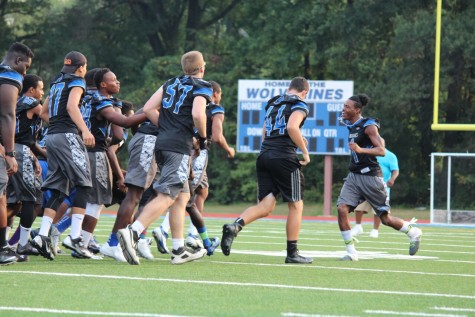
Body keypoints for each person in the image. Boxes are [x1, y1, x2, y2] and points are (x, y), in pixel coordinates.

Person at [118, 50, 211, 265]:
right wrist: (203, 138)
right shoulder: (202, 85)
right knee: (168, 194)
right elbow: (198, 114)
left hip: (162, 143)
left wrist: (167, 127)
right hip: (179, 146)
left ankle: (178, 249)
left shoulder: (170, 83)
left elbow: (149, 108)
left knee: (181, 196)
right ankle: (134, 231)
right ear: (202, 68)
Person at [220, 77, 313, 264]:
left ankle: (235, 226)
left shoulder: (274, 102)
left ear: (289, 88)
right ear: (305, 92)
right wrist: (304, 151)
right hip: (284, 157)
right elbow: (292, 126)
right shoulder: (300, 103)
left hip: (265, 154)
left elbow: (265, 132)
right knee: (296, 205)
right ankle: (292, 253)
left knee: (266, 205)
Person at [153, 80, 234, 255]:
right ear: (215, 94)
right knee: (184, 194)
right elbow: (218, 136)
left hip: (180, 146)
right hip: (195, 151)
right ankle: (165, 229)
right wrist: (228, 149)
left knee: (202, 191)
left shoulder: (190, 100)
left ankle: (194, 234)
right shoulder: (215, 108)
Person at [337, 94, 422, 261]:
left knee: (385, 219)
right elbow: (348, 123)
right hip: (354, 176)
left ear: (357, 110)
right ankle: (351, 252)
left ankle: (413, 232)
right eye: (344, 106)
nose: (343, 109)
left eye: (347, 107)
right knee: (341, 209)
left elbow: (381, 150)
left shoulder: (368, 126)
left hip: (371, 177)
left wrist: (361, 150)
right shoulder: (350, 124)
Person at [31, 51, 94, 260]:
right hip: (67, 135)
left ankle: (41, 235)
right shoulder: (78, 81)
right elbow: (71, 106)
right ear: (81, 67)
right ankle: (75, 238)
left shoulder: (57, 82)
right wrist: (84, 130)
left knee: (58, 188)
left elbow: (44, 112)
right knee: (84, 183)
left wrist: (58, 126)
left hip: (52, 137)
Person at [77, 67, 146, 258]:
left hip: (78, 150)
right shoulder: (101, 100)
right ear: (102, 84)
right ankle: (81, 242)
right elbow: (121, 127)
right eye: (113, 79)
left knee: (77, 197)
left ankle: (72, 236)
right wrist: (148, 113)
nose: (118, 82)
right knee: (96, 201)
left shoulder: (85, 97)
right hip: (95, 151)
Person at [0, 42, 34, 265]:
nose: (26, 72)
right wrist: (10, 152)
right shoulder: (10, 77)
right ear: (18, 61)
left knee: (2, 197)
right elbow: (7, 115)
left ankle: (3, 246)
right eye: (27, 67)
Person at [6, 74, 45, 259]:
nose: (42, 92)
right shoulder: (30, 101)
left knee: (12, 201)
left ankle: (6, 243)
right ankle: (22, 244)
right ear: (31, 90)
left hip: (16, 150)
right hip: (20, 152)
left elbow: (25, 136)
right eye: (41, 89)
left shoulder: (19, 102)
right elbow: (51, 117)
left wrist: (38, 156)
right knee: (33, 198)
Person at [351, 138, 399, 238]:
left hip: (381, 186)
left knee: (379, 210)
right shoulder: (368, 153)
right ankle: (358, 226)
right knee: (359, 207)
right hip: (366, 184)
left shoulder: (390, 156)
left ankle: (375, 230)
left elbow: (395, 170)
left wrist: (392, 179)